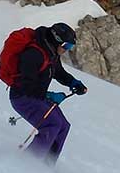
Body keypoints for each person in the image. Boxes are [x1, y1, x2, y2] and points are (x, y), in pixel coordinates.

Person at [9, 23, 88, 164]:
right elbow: (27, 86)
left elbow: (58, 72)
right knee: (52, 124)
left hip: (37, 96)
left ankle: (47, 164)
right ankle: (28, 163)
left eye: (69, 47)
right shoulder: (34, 54)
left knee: (63, 126)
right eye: (66, 46)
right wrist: (50, 96)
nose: (66, 50)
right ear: (56, 40)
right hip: (22, 97)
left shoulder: (51, 52)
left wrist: (73, 82)